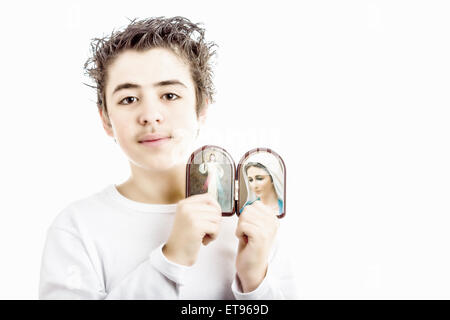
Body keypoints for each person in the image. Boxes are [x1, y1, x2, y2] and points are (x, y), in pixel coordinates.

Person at [38, 16, 296, 299]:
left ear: (202, 109)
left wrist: (255, 282)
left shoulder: (252, 223)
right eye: (128, 99)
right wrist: (170, 260)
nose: (150, 115)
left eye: (170, 95)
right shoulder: (77, 229)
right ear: (106, 119)